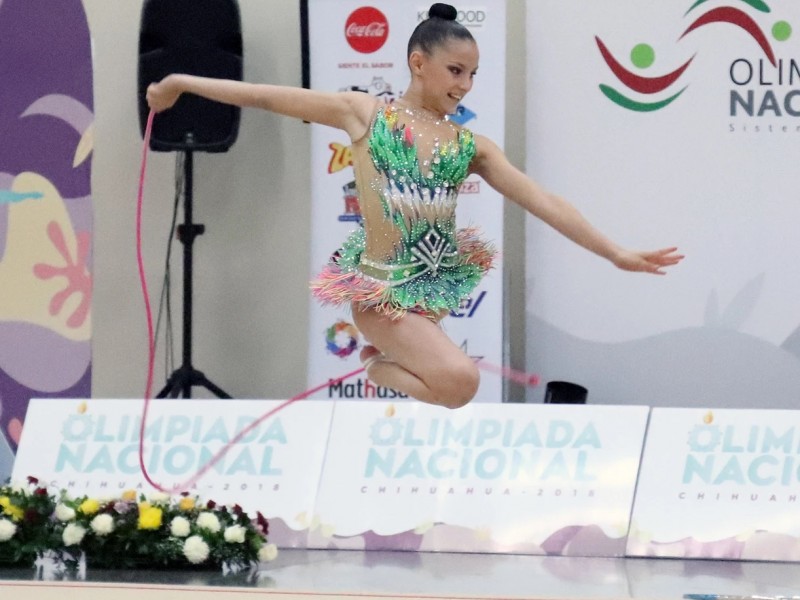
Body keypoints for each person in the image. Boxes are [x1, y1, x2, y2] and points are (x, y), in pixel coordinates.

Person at [147, 3, 683, 410]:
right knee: (462, 383)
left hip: (432, 293)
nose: (465, 85)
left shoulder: (470, 146)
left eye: (472, 74)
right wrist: (179, 82)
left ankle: (384, 363)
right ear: (418, 62)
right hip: (382, 293)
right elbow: (265, 95)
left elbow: (544, 201)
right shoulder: (366, 115)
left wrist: (615, 252)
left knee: (455, 389)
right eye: (455, 71)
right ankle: (377, 369)